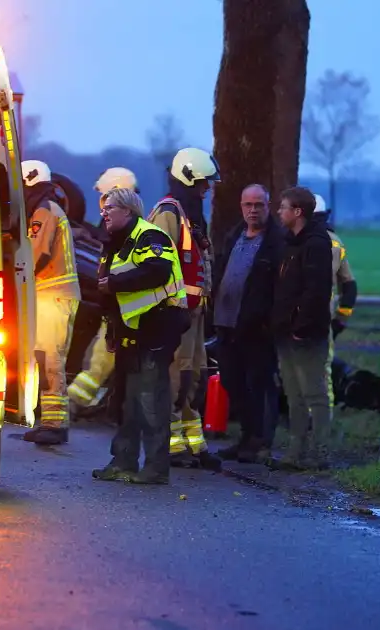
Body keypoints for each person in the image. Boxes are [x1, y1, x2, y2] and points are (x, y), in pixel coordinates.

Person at [90, 187, 188, 484]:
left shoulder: (151, 236)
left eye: (110, 209)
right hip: (130, 331)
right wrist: (111, 329)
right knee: (126, 400)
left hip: (157, 326)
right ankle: (123, 461)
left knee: (149, 398)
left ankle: (156, 468)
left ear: (128, 211)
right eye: (103, 209)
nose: (104, 213)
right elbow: (108, 291)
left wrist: (115, 283)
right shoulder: (116, 242)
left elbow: (156, 271)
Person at [147, 147, 222, 471]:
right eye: (204, 184)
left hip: (194, 313)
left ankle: (193, 442)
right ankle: (169, 444)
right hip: (175, 313)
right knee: (176, 379)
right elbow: (158, 264)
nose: (207, 191)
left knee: (193, 378)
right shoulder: (169, 213)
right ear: (189, 178)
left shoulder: (189, 214)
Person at [211, 184, 286, 463]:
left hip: (257, 329)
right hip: (227, 324)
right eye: (248, 205)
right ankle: (244, 437)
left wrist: (268, 322)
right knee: (233, 382)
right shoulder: (234, 236)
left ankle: (260, 441)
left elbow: (280, 289)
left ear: (268, 206)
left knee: (259, 384)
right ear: (241, 206)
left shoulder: (277, 243)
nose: (253, 210)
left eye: (259, 205)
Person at [272, 187, 334, 470]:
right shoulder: (289, 242)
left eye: (284, 207)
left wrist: (301, 325)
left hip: (306, 333)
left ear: (298, 212)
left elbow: (316, 291)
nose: (279, 212)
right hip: (285, 331)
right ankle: (296, 452)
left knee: (314, 393)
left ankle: (320, 453)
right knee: (293, 393)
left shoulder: (317, 244)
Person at [64, 167, 136, 410]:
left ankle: (77, 399)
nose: (100, 203)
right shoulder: (127, 220)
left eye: (104, 196)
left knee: (103, 356)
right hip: (117, 301)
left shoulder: (125, 225)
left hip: (122, 304)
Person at [21, 160, 81, 445]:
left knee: (50, 359)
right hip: (54, 295)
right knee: (46, 358)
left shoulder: (44, 211)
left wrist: (13, 279)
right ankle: (50, 420)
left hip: (51, 294)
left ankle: (55, 424)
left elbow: (36, 253)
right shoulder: (50, 207)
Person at [312, 194, 357, 339]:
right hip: (325, 324)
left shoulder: (293, 242)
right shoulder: (336, 242)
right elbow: (349, 286)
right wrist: (340, 321)